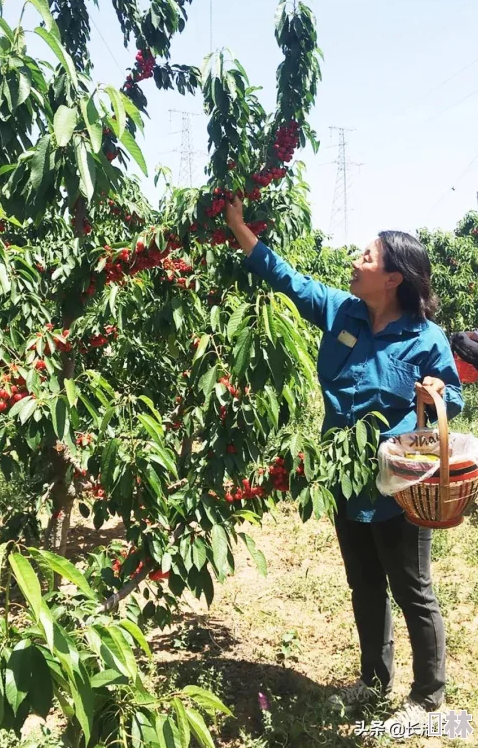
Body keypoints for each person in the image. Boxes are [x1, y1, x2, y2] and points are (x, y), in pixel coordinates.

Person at [224, 197, 463, 733]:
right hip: (343, 473)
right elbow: (286, 278)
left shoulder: (424, 339)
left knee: (412, 586)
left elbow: (455, 401)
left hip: (400, 480)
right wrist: (239, 228)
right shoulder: (343, 311)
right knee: (363, 582)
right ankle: (373, 680)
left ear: (393, 278)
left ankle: (429, 699)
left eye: (367, 256)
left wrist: (435, 392)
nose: (355, 260)